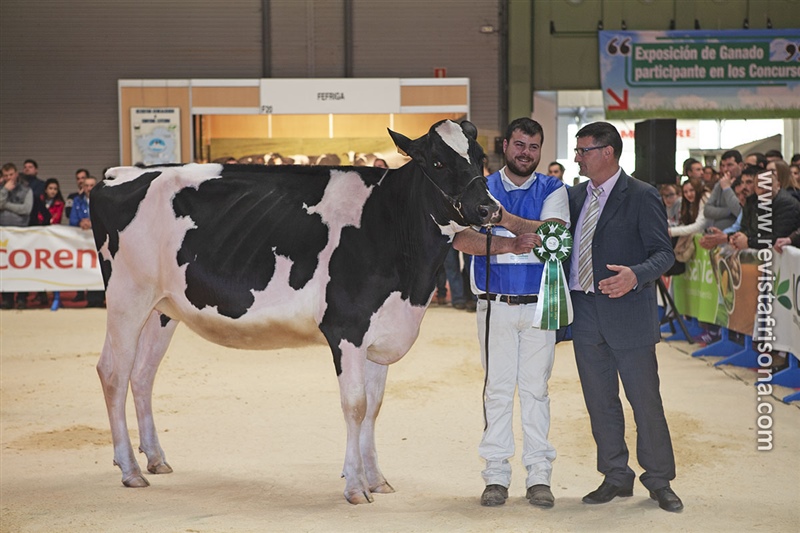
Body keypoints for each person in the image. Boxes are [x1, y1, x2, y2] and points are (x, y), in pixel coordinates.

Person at [453, 117, 569, 509]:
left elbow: (553, 233)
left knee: (537, 391)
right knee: (498, 391)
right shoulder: (480, 186)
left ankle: (539, 476)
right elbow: (462, 238)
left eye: (534, 147)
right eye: (520, 145)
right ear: (506, 145)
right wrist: (512, 244)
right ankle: (496, 476)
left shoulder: (554, 187)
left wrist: (501, 223)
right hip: (493, 305)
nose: (526, 153)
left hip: (541, 304)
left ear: (540, 150)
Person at [566, 122, 682, 513]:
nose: (577, 157)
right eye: (578, 150)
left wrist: (636, 275)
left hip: (629, 313)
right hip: (584, 312)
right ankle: (616, 475)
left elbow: (664, 254)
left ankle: (659, 479)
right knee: (600, 402)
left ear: (608, 152)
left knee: (645, 401)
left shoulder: (642, 195)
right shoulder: (574, 195)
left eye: (583, 150)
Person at [729, 163, 800, 251]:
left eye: (768, 185)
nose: (764, 190)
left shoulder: (786, 203)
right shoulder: (753, 202)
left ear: (778, 185)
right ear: (755, 189)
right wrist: (737, 238)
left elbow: (779, 237)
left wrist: (749, 242)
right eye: (760, 186)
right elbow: (749, 230)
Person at [1, 163, 34, 309]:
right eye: (6, 175)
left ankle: (22, 298)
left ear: (16, 174)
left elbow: (26, 209)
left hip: (22, 234)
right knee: (6, 267)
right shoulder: (2, 189)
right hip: (4, 235)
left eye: (11, 174)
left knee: (22, 266)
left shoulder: (26, 190)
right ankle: (7, 299)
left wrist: (5, 205)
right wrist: (4, 191)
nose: (9, 178)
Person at [69, 176, 104, 307]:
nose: (89, 188)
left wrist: (93, 223)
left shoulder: (102, 201)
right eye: (87, 186)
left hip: (99, 240)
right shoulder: (77, 201)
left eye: (92, 185)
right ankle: (89, 298)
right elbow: (72, 219)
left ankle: (100, 299)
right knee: (86, 267)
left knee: (99, 268)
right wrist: (80, 222)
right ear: (82, 188)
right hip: (83, 242)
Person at [703, 150, 743, 231]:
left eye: (729, 165)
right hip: (714, 233)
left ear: (741, 165)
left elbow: (739, 211)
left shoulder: (744, 184)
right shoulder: (720, 184)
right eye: (723, 166)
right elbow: (707, 210)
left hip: (733, 235)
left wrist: (727, 188)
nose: (725, 169)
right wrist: (729, 212)